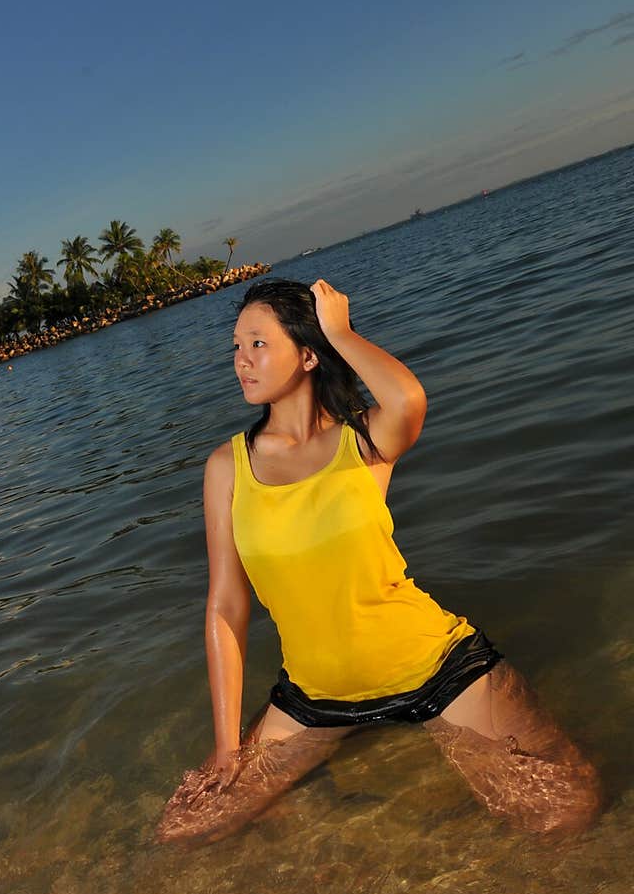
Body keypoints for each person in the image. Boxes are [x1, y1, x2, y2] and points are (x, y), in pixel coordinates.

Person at [156, 277, 602, 845]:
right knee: (184, 829)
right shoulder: (228, 467)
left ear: (310, 353)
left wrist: (341, 330)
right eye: (236, 348)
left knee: (566, 812)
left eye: (259, 344)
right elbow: (225, 605)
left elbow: (409, 399)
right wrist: (226, 749)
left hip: (433, 671)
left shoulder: (363, 441)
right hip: (313, 698)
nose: (241, 360)